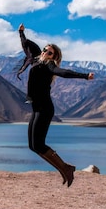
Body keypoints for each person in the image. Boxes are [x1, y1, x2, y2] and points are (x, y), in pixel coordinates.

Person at [17, 23, 94, 187]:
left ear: (54, 57)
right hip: (37, 108)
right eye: (45, 49)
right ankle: (65, 169)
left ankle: (65, 168)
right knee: (32, 146)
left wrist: (84, 76)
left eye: (49, 52)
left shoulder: (49, 66)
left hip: (45, 109)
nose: (45, 52)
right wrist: (21, 33)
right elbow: (26, 46)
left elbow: (63, 73)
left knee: (38, 144)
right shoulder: (36, 60)